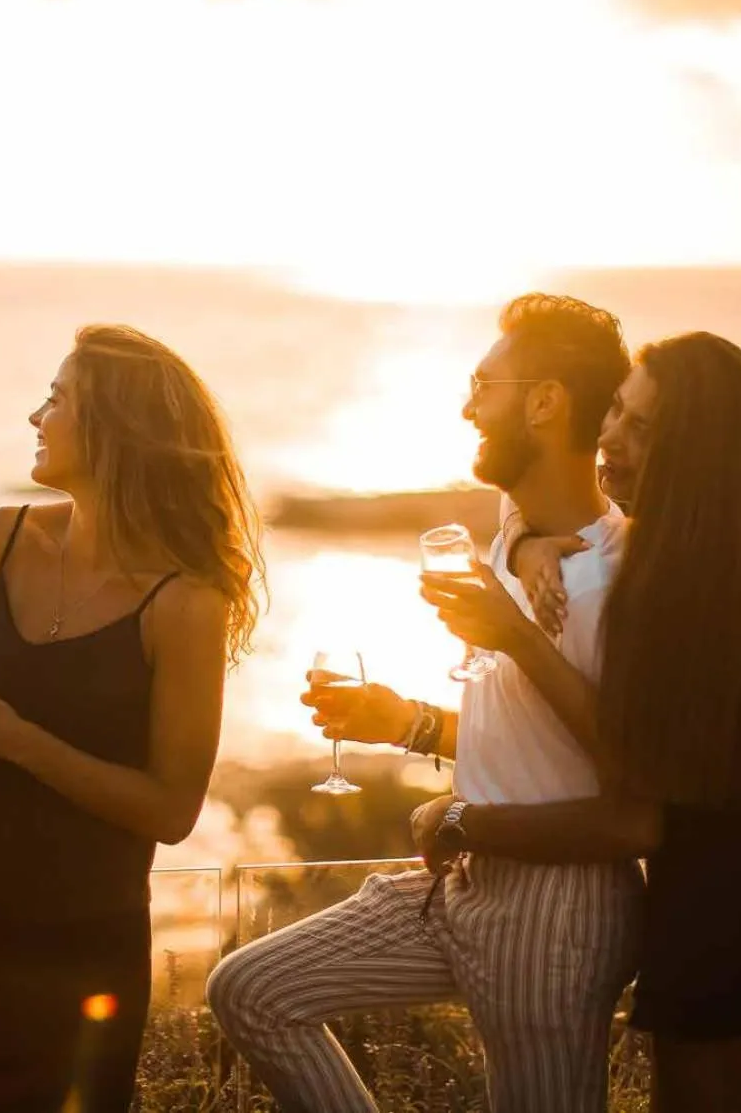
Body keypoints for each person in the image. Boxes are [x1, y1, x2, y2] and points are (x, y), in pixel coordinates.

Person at [206, 295, 642, 1112]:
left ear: (545, 400)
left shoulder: (623, 578)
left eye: (484, 383)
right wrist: (403, 722)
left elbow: (628, 771)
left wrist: (514, 634)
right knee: (252, 989)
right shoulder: (519, 529)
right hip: (461, 880)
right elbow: (529, 734)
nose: (467, 404)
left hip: (556, 906)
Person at [419, 331, 741, 1113]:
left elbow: (632, 761)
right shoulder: (715, 555)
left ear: (694, 453)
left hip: (726, 907)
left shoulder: (693, 591)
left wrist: (513, 637)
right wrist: (525, 549)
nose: (607, 437)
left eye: (640, 428)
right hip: (724, 891)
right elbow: (517, 502)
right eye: (615, 409)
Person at [0, 324, 264, 1113]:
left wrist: (16, 741)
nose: (35, 416)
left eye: (56, 399)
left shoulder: (187, 602)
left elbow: (171, 809)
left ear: (116, 428)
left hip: (81, 940)